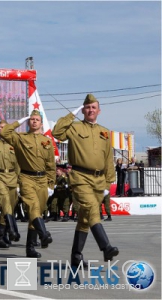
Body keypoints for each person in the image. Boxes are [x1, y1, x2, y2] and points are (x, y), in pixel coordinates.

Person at [53, 93, 119, 267]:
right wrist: (71, 114)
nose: (90, 110)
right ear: (83, 110)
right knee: (91, 210)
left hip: (99, 180)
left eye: (93, 107)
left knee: (84, 219)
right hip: (80, 177)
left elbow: (108, 159)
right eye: (87, 107)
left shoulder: (104, 132)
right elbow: (56, 132)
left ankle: (76, 257)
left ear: (99, 111)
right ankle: (106, 247)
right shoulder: (75, 127)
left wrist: (108, 182)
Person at [0, 110, 56, 258]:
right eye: (31, 119)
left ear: (41, 123)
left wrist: (51, 184)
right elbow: (5, 133)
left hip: (43, 180)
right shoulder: (20, 138)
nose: (34, 121)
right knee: (33, 207)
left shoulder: (47, 141)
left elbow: (51, 164)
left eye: (37, 119)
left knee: (36, 213)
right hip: (27, 178)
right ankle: (44, 234)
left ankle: (30, 248)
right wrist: (20, 121)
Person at [0, 120, 20, 248]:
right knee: (5, 203)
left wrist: (19, 182)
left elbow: (18, 165)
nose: (0, 129)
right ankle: (8, 233)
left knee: (9, 208)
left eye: (3, 127)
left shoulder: (14, 144)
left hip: (12, 178)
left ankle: (2, 236)